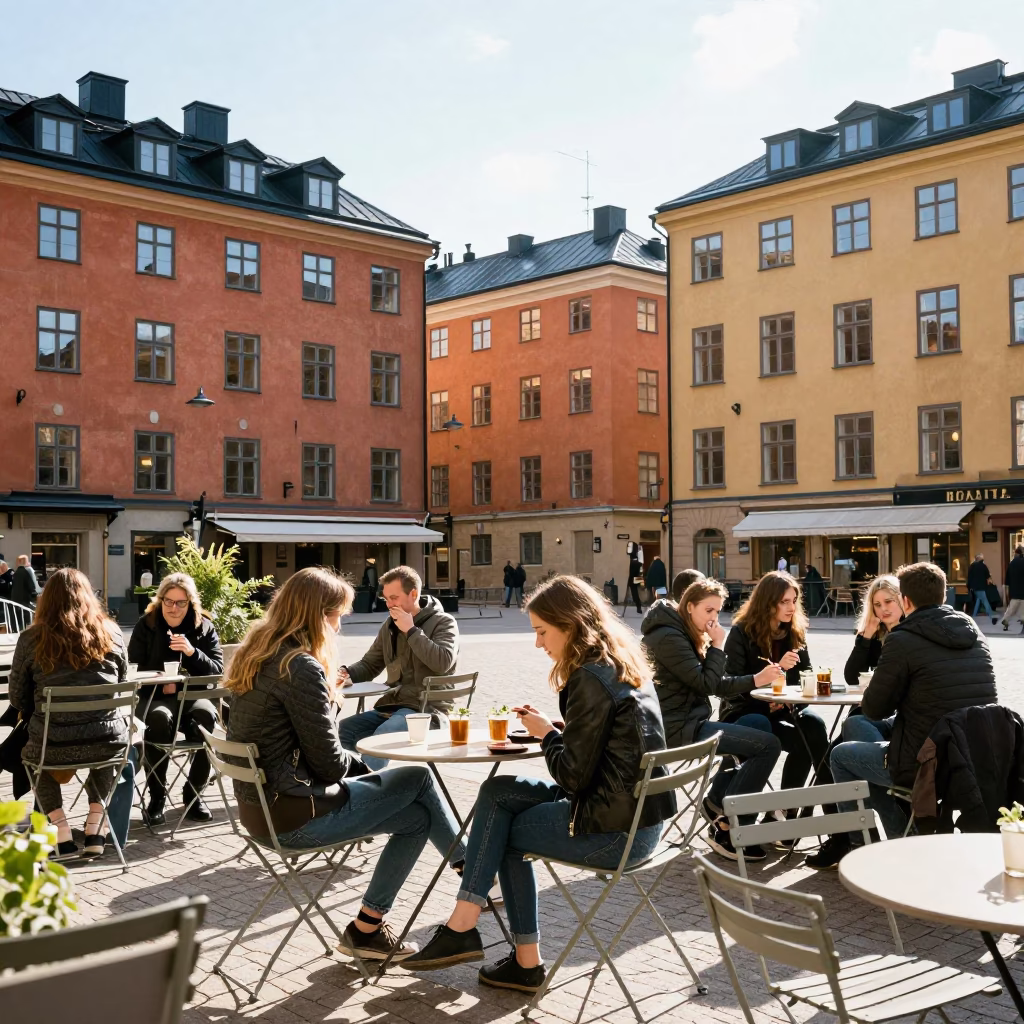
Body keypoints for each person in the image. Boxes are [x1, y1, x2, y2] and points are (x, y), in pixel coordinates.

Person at [400, 575, 676, 992]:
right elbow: (609, 744)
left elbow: (571, 775)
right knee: (496, 792)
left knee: (502, 831)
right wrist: (563, 730)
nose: (538, 643)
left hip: (615, 832)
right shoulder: (619, 664)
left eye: (542, 632)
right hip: (639, 818)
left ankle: (501, 947)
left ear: (572, 624)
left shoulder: (589, 677)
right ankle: (477, 933)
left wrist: (548, 735)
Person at [225, 567, 463, 963]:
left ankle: (365, 929)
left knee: (417, 818)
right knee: (417, 778)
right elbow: (331, 765)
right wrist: (338, 717)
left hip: (258, 813)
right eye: (338, 615)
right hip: (297, 817)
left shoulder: (257, 656)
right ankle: (472, 874)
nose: (341, 623)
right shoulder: (300, 667)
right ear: (318, 616)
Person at [809, 562, 998, 869]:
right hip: (976, 751)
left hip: (928, 761)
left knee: (842, 756)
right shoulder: (972, 629)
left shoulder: (903, 638)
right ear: (944, 594)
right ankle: (892, 841)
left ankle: (872, 848)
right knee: (856, 725)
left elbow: (874, 707)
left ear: (905, 601)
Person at [642, 579, 781, 861]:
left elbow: (713, 683)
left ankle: (715, 802)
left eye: (717, 612)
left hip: (690, 721)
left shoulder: (682, 631)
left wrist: (757, 679)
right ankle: (732, 829)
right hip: (677, 729)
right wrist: (718, 644)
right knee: (769, 745)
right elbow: (706, 683)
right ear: (689, 606)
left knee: (758, 724)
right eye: (708, 611)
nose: (713, 619)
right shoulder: (669, 637)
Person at [9, 568, 130, 859]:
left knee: (31, 755)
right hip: (106, 742)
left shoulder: (30, 639)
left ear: (45, 600)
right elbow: (122, 684)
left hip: (52, 744)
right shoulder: (112, 632)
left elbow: (17, 697)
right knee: (107, 739)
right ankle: (94, 826)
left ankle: (61, 830)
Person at [339, 566, 459, 771]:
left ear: (413, 594)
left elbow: (443, 662)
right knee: (345, 729)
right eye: (386, 599)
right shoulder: (389, 625)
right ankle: (359, 780)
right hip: (394, 705)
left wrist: (411, 630)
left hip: (428, 709)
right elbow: (370, 664)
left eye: (394, 598)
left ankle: (370, 792)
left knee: (382, 737)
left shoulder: (443, 622)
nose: (389, 604)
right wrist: (345, 673)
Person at [128, 572, 224, 824]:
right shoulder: (147, 625)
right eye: (168, 601)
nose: (173, 608)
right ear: (160, 600)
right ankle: (157, 796)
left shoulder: (203, 627)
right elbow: (131, 668)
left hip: (192, 696)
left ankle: (193, 794)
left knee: (206, 715)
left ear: (190, 603)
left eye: (180, 603)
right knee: (159, 718)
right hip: (154, 696)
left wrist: (192, 652)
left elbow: (217, 670)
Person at [722, 571, 828, 797]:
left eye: (793, 601)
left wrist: (792, 702)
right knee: (801, 743)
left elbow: (805, 674)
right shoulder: (742, 633)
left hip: (785, 708)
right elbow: (729, 686)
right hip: (746, 711)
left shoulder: (794, 632)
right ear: (768, 603)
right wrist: (773, 679)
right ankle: (786, 807)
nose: (791, 607)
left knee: (815, 728)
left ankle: (815, 804)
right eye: (784, 602)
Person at [842, 575, 904, 689]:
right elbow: (852, 678)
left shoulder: (913, 629)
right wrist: (867, 636)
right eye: (877, 605)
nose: (883, 609)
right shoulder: (875, 634)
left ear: (901, 600)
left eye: (888, 601)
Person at [967, 553, 998, 625]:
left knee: (978, 600)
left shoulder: (972, 566)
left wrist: (969, 587)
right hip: (981, 587)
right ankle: (992, 617)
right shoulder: (983, 566)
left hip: (974, 587)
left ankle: (973, 617)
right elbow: (988, 576)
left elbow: (969, 577)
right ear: (980, 559)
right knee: (985, 601)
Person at [1001, 545, 1024, 633]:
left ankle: (1006, 619)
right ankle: (1022, 618)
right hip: (1022, 588)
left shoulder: (1012, 563)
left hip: (1014, 588)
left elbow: (1007, 577)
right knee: (1022, 604)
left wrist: (1007, 585)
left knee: (1012, 606)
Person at [625, 544, 643, 614]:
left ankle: (638, 605)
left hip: (634, 579)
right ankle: (638, 605)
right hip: (637, 578)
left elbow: (632, 573)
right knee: (636, 592)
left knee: (634, 593)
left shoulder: (633, 563)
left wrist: (630, 581)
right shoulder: (638, 562)